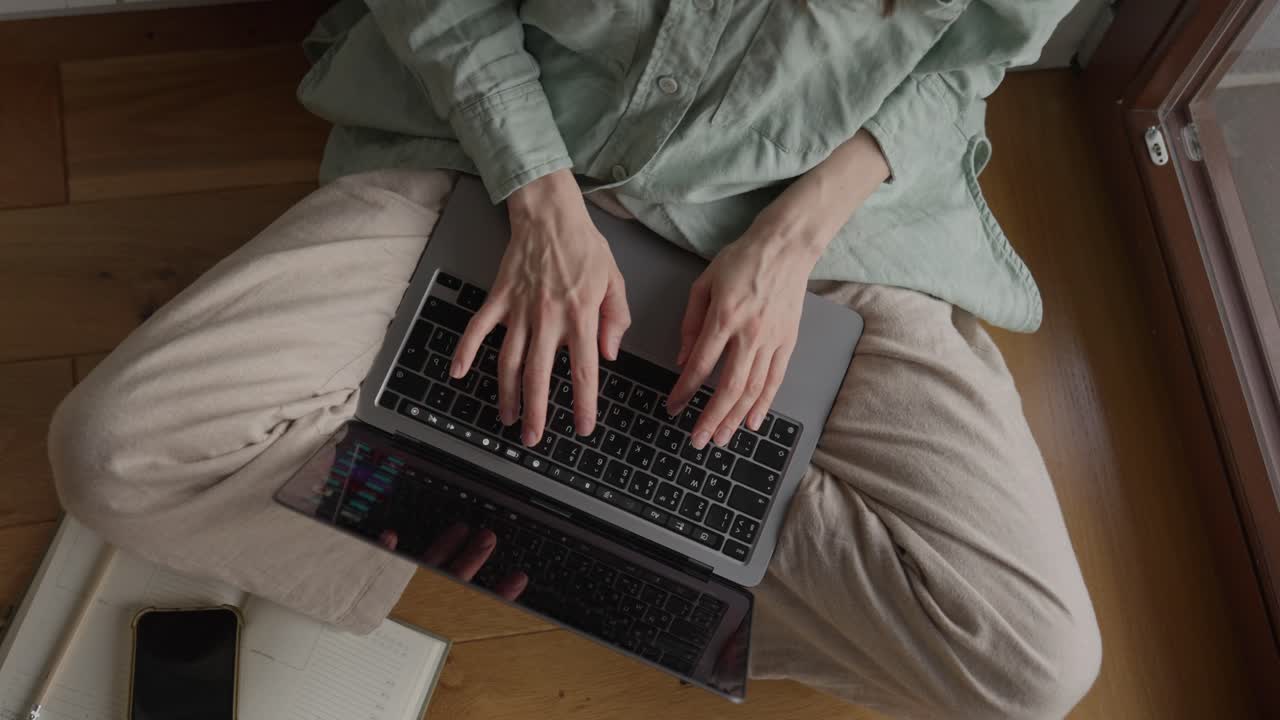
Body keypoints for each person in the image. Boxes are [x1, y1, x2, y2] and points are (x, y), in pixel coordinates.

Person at [48, 0, 1102, 717]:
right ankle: (441, 516)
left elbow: (966, 58)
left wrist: (788, 245)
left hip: (825, 231)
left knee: (1029, 666)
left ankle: (645, 523)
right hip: (507, 164)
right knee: (112, 453)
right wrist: (537, 199)